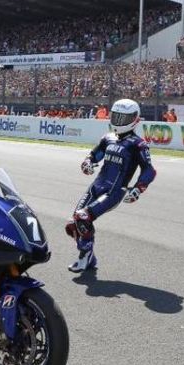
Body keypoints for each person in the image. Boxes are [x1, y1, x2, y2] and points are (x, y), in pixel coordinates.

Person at [65, 98, 157, 273]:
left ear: (135, 119)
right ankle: (90, 257)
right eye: (116, 116)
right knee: (73, 224)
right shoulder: (107, 138)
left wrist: (138, 188)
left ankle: (84, 256)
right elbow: (94, 155)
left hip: (114, 192)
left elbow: (149, 170)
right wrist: (87, 162)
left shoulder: (138, 144)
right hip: (96, 187)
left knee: (83, 217)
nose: (119, 121)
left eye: (124, 118)